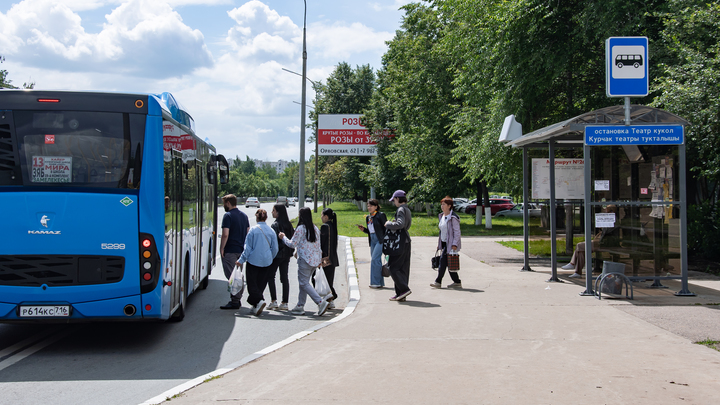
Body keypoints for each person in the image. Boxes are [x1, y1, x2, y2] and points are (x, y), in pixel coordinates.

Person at [279, 207, 330, 316]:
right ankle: (300, 305)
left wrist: (283, 237)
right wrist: (319, 260)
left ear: (301, 216)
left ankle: (320, 302)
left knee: (303, 283)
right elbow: (318, 245)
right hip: (315, 260)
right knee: (304, 282)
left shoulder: (301, 228)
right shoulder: (315, 228)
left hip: (305, 260)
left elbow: (292, 244)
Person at [236, 209, 279, 316]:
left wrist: (241, 260)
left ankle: (260, 300)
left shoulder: (253, 230)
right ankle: (256, 305)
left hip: (253, 261)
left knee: (252, 284)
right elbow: (275, 249)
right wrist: (270, 257)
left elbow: (248, 248)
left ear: (256, 217)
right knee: (261, 284)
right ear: (266, 218)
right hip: (267, 261)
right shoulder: (271, 231)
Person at [561, 205, 620, 277]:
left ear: (611, 211)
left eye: (606, 210)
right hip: (602, 241)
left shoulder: (613, 219)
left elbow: (607, 232)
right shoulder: (610, 219)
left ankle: (573, 264)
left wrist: (602, 226)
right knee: (581, 251)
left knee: (579, 245)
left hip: (604, 243)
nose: (605, 212)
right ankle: (577, 272)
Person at [219, 194, 250, 310]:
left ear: (228, 203)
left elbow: (225, 234)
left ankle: (235, 300)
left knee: (232, 276)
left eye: (224, 203)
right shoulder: (244, 216)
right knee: (238, 274)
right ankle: (236, 299)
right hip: (240, 251)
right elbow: (248, 233)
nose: (223, 205)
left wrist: (222, 248)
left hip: (230, 250)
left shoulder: (228, 216)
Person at [385, 190, 412, 301]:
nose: (394, 202)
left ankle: (404, 289)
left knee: (393, 267)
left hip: (399, 242)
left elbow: (400, 224)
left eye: (394, 200)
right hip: (406, 240)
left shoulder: (400, 209)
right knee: (403, 268)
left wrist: (388, 224)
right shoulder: (407, 209)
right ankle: (400, 294)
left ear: (397, 199)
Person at [266, 204, 294, 311]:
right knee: (284, 278)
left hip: (277, 255)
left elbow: (273, 242)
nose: (272, 212)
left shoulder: (275, 225)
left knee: (270, 276)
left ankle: (274, 301)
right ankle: (285, 302)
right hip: (286, 255)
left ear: (278, 212)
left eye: (273, 210)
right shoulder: (289, 225)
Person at [431, 196, 462, 289]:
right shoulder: (442, 216)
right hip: (444, 243)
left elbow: (457, 232)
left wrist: (455, 244)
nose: (442, 206)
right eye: (441, 204)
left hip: (451, 244)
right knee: (448, 264)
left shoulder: (453, 218)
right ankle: (457, 282)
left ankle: (438, 281)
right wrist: (439, 244)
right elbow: (442, 231)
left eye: (444, 204)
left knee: (442, 262)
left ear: (449, 206)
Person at [356, 199, 387, 288]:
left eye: (371, 206)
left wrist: (385, 240)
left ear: (376, 207)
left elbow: (385, 228)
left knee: (374, 259)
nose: (369, 208)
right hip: (372, 240)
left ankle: (375, 282)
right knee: (376, 260)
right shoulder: (368, 217)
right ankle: (379, 282)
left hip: (380, 240)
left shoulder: (380, 215)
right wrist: (364, 230)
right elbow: (371, 231)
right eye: (368, 206)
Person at [317, 207, 339, 308]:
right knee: (328, 280)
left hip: (326, 259)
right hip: (333, 258)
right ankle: (330, 301)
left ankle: (331, 298)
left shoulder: (325, 226)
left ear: (326, 216)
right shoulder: (333, 226)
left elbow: (322, 243)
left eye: (322, 215)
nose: (321, 217)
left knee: (324, 281)